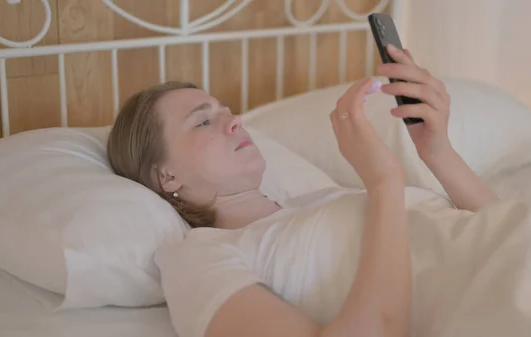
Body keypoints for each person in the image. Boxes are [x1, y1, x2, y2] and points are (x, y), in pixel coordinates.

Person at [107, 44, 499, 337]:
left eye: (226, 110)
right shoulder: (198, 257)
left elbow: (503, 229)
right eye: (202, 122)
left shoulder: (319, 198)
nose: (234, 121)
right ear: (166, 177)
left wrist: (437, 151)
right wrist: (384, 184)